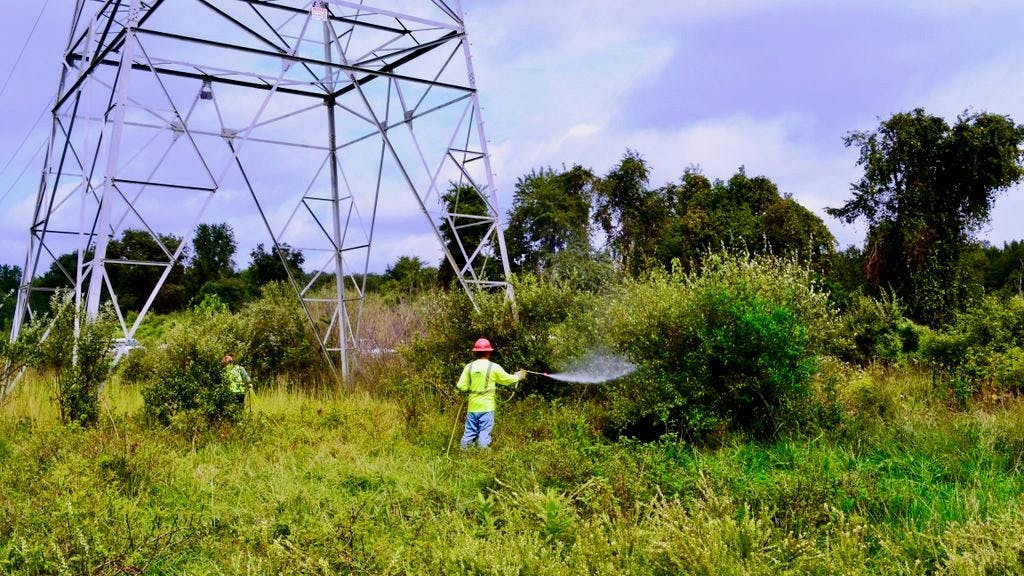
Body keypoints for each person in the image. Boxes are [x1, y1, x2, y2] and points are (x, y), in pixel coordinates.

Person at [456, 338, 525, 449]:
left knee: (469, 433)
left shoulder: (469, 367)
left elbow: (460, 386)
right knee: (484, 433)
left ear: (476, 352)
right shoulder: (494, 367)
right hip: (487, 407)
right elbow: (507, 380)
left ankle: (464, 454)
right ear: (488, 352)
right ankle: (483, 455)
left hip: (472, 407)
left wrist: (470, 389)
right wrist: (518, 376)